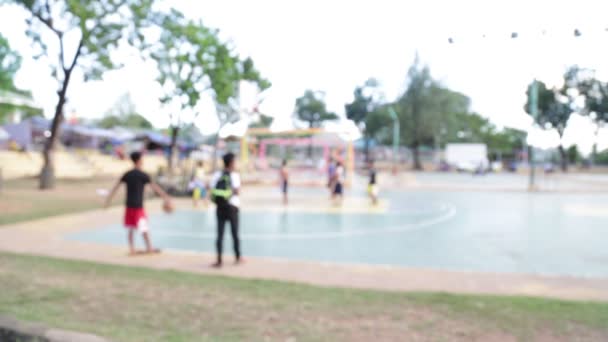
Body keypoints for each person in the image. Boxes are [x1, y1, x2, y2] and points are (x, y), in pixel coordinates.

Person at [104, 151, 172, 255]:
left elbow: (115, 188)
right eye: (142, 159)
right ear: (139, 160)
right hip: (138, 206)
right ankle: (149, 248)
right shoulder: (143, 175)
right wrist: (165, 197)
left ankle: (132, 249)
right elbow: (155, 188)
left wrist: (108, 200)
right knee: (143, 227)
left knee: (131, 228)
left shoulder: (127, 174)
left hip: (129, 205)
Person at [210, 152, 242, 268]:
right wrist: (230, 193)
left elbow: (212, 190)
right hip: (232, 207)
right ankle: (238, 257)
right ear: (232, 162)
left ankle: (219, 260)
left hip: (220, 207)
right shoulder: (235, 175)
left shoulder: (217, 175)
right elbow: (237, 191)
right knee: (235, 233)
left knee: (220, 234)